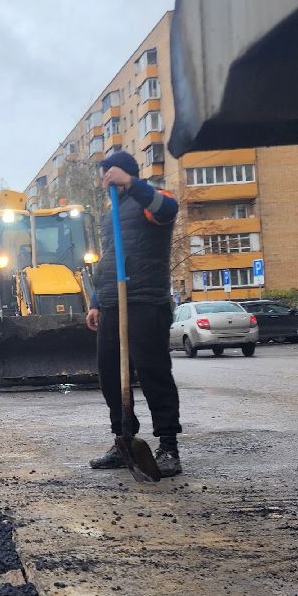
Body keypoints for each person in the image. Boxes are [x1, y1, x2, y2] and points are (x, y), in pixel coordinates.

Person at [85, 151, 183, 477]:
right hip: (113, 304)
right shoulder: (108, 215)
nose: (105, 181)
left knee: (154, 373)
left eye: (109, 174)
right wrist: (97, 300)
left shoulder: (152, 199)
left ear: (123, 173)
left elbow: (167, 210)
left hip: (145, 301)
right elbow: (109, 260)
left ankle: (168, 447)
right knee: (110, 375)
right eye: (103, 176)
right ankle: (122, 439)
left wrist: (132, 183)